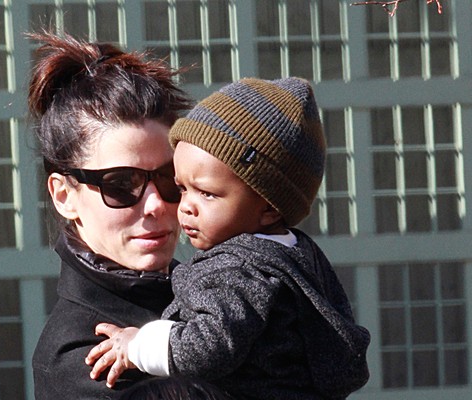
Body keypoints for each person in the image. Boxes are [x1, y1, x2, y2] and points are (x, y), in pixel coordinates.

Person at [86, 77, 371, 399]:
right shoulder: (297, 253)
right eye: (181, 188)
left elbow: (208, 348)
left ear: (269, 208)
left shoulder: (236, 269)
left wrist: (137, 346)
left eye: (207, 194)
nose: (186, 207)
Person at [27, 30, 200, 399]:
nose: (155, 204)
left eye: (169, 179)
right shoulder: (79, 358)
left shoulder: (214, 292)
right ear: (63, 196)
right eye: (121, 184)